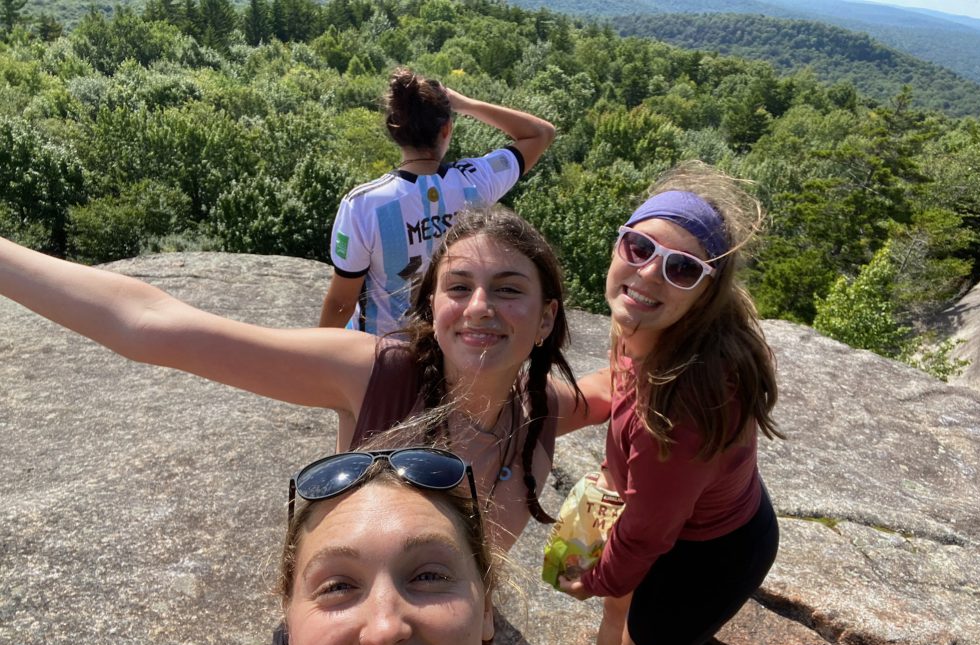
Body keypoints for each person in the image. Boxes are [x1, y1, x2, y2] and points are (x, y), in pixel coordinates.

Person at [0, 205, 607, 550]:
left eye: (508, 290)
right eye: (459, 288)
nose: (479, 307)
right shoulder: (373, 375)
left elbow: (627, 382)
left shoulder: (542, 409)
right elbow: (151, 324)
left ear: (547, 315)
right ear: (431, 307)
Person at [556, 162, 783, 645]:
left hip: (713, 552)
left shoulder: (687, 402)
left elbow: (650, 529)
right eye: (640, 246)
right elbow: (618, 380)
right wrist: (555, 410)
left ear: (705, 293)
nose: (649, 272)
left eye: (682, 268)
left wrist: (597, 576)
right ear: (620, 242)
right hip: (665, 520)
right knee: (618, 610)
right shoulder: (644, 323)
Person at [208, 440, 618, 645]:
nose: (386, 629)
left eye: (429, 576)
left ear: (487, 608)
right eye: (337, 586)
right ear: (290, 632)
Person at [319, 67, 555, 335]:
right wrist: (464, 103)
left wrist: (319, 360)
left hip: (380, 350)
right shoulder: (477, 181)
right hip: (447, 345)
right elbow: (540, 133)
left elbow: (342, 302)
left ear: (394, 131)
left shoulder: (363, 204)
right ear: (446, 129)